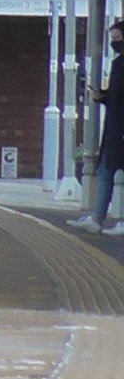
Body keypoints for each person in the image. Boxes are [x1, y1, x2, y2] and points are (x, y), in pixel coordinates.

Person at [68, 21, 124, 235]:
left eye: (117, 38)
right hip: (114, 126)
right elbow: (117, 96)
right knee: (105, 170)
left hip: (119, 127)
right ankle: (97, 218)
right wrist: (102, 96)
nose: (114, 42)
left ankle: (100, 218)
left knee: (108, 171)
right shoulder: (118, 64)